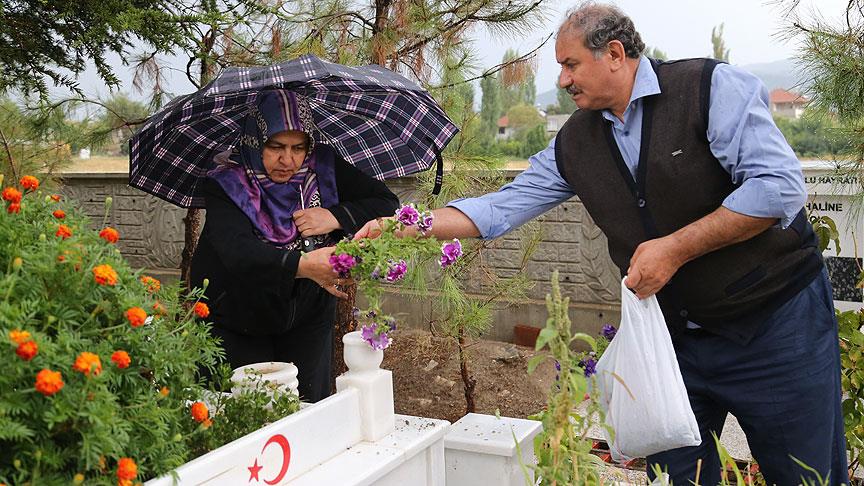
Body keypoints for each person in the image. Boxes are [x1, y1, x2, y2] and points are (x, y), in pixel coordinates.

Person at [355, 3, 848, 484]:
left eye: (570, 65)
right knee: (678, 475)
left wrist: (673, 249)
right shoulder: (575, 141)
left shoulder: (708, 88)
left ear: (614, 53)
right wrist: (408, 224)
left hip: (775, 327)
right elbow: (504, 205)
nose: (563, 80)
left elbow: (778, 187)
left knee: (805, 475)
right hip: (670, 342)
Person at [191, 89, 399, 403]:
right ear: (255, 140)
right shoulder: (227, 183)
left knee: (307, 408)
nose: (288, 160)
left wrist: (334, 216)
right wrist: (301, 266)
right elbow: (237, 253)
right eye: (275, 147)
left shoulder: (324, 170)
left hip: (307, 314)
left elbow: (386, 204)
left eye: (298, 148)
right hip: (238, 317)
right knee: (247, 412)